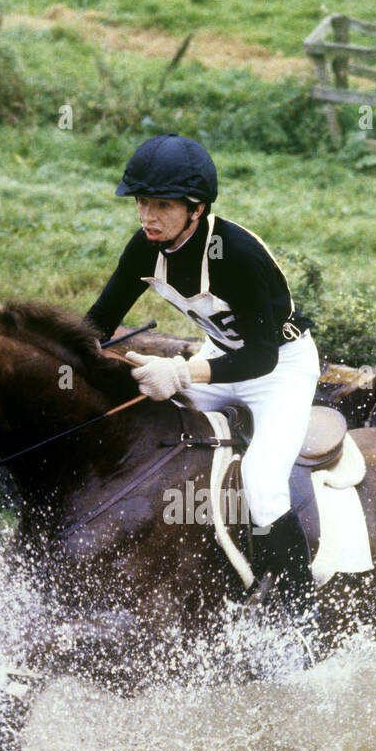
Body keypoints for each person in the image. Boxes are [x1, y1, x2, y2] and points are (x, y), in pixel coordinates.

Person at [83, 132, 321, 617]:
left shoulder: (237, 254)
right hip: (220, 358)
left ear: (196, 209)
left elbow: (261, 358)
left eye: (162, 206)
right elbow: (97, 323)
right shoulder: (144, 248)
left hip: (280, 369)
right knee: (152, 433)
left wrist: (180, 370)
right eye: (142, 202)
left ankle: (299, 610)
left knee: (261, 481)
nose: (148, 217)